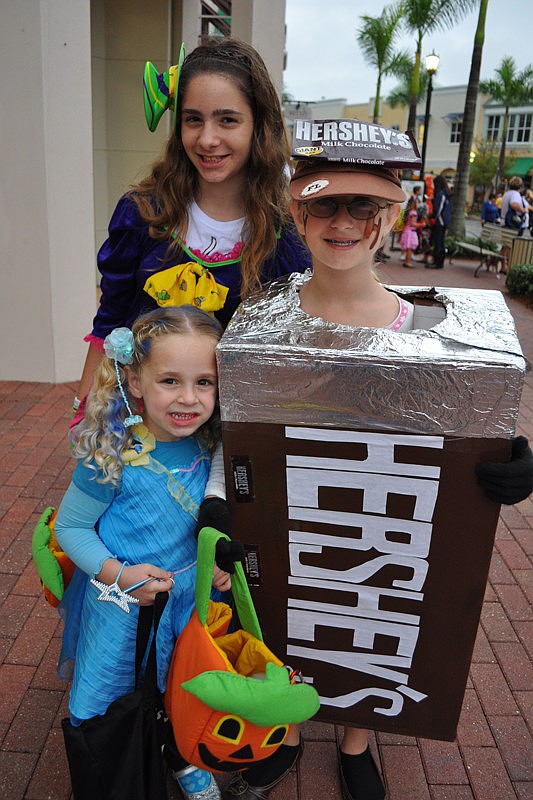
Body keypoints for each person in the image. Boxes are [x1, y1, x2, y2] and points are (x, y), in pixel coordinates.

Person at [221, 124, 533, 800]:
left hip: (382, 503)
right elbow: (235, 427)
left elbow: (463, 435)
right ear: (298, 212)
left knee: (375, 607)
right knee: (291, 600)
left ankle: (357, 739)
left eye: (363, 207)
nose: (343, 223)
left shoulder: (423, 330)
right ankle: (293, 728)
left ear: (389, 217)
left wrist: (503, 466)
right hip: (297, 504)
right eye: (326, 205)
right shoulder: (256, 320)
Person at [73, 37, 311, 423]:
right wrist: (85, 413)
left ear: (258, 125)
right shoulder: (142, 214)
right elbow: (111, 321)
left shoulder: (287, 231)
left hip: (234, 436)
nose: (207, 139)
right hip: (142, 431)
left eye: (228, 119)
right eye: (193, 119)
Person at [55, 305, 241, 800]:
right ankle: (115, 760)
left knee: (182, 688)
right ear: (135, 381)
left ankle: (179, 754)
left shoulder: (215, 443)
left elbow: (217, 518)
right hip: (125, 604)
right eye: (170, 381)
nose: (188, 398)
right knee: (117, 691)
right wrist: (118, 573)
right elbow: (72, 527)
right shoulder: (110, 451)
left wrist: (217, 565)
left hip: (189, 602)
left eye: (205, 382)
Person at [428, 174, 452, 269]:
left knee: (438, 242)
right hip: (444, 220)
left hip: (440, 221)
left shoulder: (441, 194)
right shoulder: (446, 193)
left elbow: (439, 208)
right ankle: (438, 262)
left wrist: (434, 217)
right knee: (440, 241)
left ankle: (438, 263)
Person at [399, 197, 422, 268]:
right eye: (418, 202)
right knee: (410, 248)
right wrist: (421, 224)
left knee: (408, 248)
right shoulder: (414, 213)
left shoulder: (410, 212)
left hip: (407, 231)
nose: (419, 204)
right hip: (410, 232)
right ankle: (407, 262)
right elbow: (412, 224)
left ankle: (406, 261)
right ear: (415, 203)